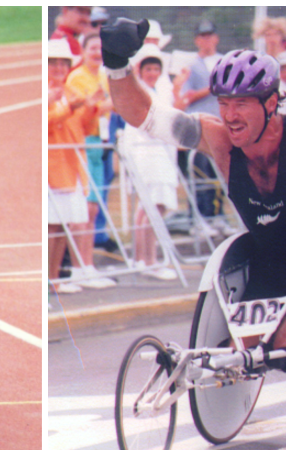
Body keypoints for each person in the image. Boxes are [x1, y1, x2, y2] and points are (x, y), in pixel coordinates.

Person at [101, 20, 286, 393]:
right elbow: (144, 116)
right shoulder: (220, 141)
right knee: (239, 356)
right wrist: (116, 63)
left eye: (240, 104)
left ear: (271, 102)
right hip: (269, 264)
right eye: (223, 103)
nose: (230, 115)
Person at [120, 44, 179, 280]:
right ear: (140, 70)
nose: (153, 73)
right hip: (148, 155)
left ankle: (144, 260)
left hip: (159, 154)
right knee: (152, 208)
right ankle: (148, 261)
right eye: (149, 69)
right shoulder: (141, 92)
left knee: (151, 208)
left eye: (156, 69)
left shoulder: (158, 92)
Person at [48, 39, 99, 294]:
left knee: (64, 225)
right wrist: (69, 108)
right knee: (52, 227)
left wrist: (91, 108)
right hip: (53, 168)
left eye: (62, 63)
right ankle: (49, 280)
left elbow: (85, 127)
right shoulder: (44, 93)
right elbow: (46, 123)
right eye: (53, 63)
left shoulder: (70, 91)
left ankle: (55, 279)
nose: (58, 68)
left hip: (72, 166)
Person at [65, 33, 116, 288]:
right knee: (84, 210)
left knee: (93, 209)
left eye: (101, 48)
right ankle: (78, 268)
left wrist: (103, 105)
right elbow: (85, 111)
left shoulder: (103, 76)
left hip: (99, 142)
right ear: (83, 50)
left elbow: (108, 105)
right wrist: (102, 104)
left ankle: (88, 265)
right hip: (85, 141)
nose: (97, 52)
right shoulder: (77, 77)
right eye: (92, 47)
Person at [178, 20, 228, 234]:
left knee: (219, 174)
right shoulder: (191, 66)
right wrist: (210, 89)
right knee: (199, 174)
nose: (206, 40)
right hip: (199, 128)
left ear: (215, 38)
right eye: (202, 36)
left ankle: (218, 216)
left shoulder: (224, 62)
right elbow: (186, 96)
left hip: (221, 126)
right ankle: (198, 219)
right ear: (197, 40)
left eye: (209, 35)